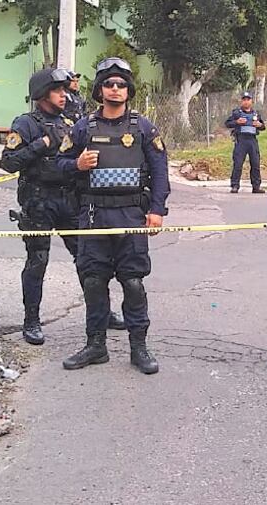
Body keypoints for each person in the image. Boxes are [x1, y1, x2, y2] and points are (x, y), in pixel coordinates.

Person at [57, 57, 170, 375]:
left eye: (121, 84)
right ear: (100, 89)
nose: (116, 89)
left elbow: (160, 172)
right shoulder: (82, 128)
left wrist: (157, 210)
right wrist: (76, 165)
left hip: (131, 216)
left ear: (128, 89)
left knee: (133, 283)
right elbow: (58, 166)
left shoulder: (144, 128)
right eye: (109, 83)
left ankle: (139, 347)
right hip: (93, 216)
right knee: (93, 282)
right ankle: (95, 346)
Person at [0, 68, 125, 345]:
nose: (64, 95)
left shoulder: (72, 121)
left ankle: (102, 313)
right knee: (37, 262)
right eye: (58, 91)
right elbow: (8, 163)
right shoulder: (26, 123)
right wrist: (41, 145)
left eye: (65, 90)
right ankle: (31, 321)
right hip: (38, 202)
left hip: (69, 200)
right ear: (43, 94)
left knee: (87, 259)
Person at [225, 91, 266, 194]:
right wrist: (236, 122)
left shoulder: (256, 114)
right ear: (241, 101)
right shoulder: (237, 113)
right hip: (241, 140)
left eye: (248, 100)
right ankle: (235, 186)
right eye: (244, 100)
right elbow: (227, 123)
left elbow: (263, 127)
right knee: (238, 164)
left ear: (251, 101)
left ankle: (256, 187)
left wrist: (259, 125)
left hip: (252, 140)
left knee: (255, 164)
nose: (246, 102)